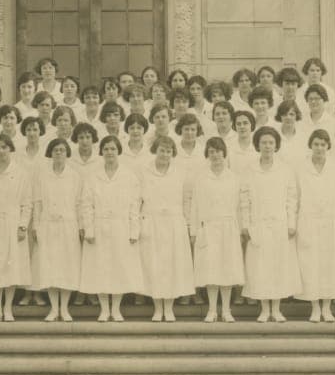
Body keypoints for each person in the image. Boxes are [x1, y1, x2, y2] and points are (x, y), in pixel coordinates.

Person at [79, 135, 143, 323]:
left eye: (113, 149)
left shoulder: (129, 176)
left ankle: (116, 309)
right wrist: (89, 229)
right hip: (99, 228)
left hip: (121, 227)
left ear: (118, 151)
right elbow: (86, 204)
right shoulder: (92, 176)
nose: (109, 153)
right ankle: (104, 309)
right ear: (101, 152)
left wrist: (134, 230)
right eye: (106, 149)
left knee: (119, 268)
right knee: (100, 268)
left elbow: (134, 204)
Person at [240, 127, 301, 323]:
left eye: (271, 142)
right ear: (258, 145)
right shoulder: (249, 170)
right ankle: (264, 309)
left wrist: (291, 223)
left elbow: (292, 198)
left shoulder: (285, 169)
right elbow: (244, 199)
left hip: (280, 225)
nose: (267, 146)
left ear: (276, 145)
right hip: (258, 225)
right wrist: (246, 225)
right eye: (264, 142)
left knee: (278, 266)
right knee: (260, 268)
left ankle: (277, 308)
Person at [294, 130, 335, 323]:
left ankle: (327, 307)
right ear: (311, 145)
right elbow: (295, 197)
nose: (319, 148)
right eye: (316, 144)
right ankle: (315, 308)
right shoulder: (301, 168)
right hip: (308, 220)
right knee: (311, 264)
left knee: (330, 264)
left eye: (323, 144)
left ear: (328, 146)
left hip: (331, 221)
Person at [138, 136, 195, 322]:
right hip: (152, 223)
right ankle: (157, 308)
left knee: (171, 266)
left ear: (173, 153)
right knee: (154, 265)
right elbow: (137, 200)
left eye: (169, 151)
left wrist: (187, 223)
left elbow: (186, 200)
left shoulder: (180, 172)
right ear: (155, 150)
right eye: (162, 150)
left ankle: (169, 308)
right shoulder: (144, 171)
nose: (165, 154)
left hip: (173, 224)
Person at [189, 137, 245, 322]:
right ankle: (212, 310)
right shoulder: (201, 178)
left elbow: (239, 206)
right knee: (211, 270)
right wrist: (194, 231)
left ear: (224, 153)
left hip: (229, 228)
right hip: (208, 227)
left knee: (227, 269)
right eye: (211, 151)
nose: (215, 155)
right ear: (207, 154)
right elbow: (195, 206)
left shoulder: (234, 178)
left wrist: (240, 229)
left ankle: (227, 310)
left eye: (218, 151)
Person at [0, 135, 33, 322]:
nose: (0, 151)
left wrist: (22, 226)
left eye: (4, 147)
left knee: (11, 268)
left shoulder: (21, 173)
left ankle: (8, 309)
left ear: (10, 148)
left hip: (12, 225)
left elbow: (27, 203)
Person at [29, 138, 84, 323]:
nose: (59, 153)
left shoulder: (74, 176)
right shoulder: (42, 176)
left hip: (69, 225)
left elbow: (79, 204)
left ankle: (65, 309)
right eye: (55, 150)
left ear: (67, 153)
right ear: (50, 153)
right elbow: (37, 203)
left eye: (62, 150)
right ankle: (54, 308)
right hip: (47, 225)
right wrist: (36, 226)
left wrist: (81, 227)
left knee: (67, 266)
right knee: (50, 266)